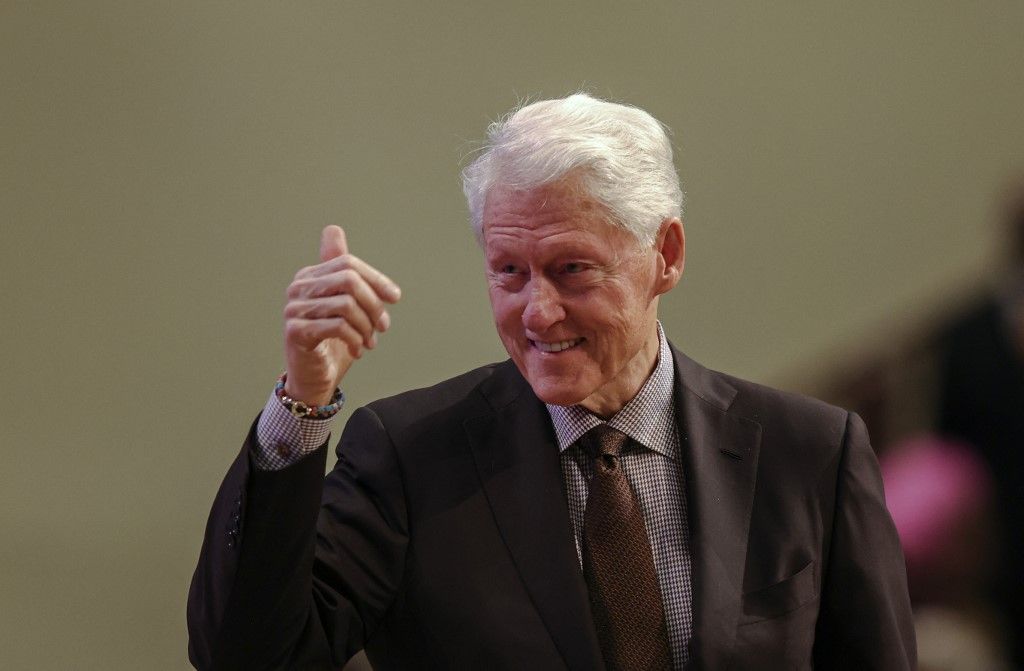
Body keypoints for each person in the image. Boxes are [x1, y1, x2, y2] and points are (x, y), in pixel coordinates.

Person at [187, 94, 916, 670]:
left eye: (573, 269)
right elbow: (249, 655)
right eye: (509, 271)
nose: (537, 311)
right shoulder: (409, 458)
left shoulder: (810, 451)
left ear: (665, 253)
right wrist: (303, 400)